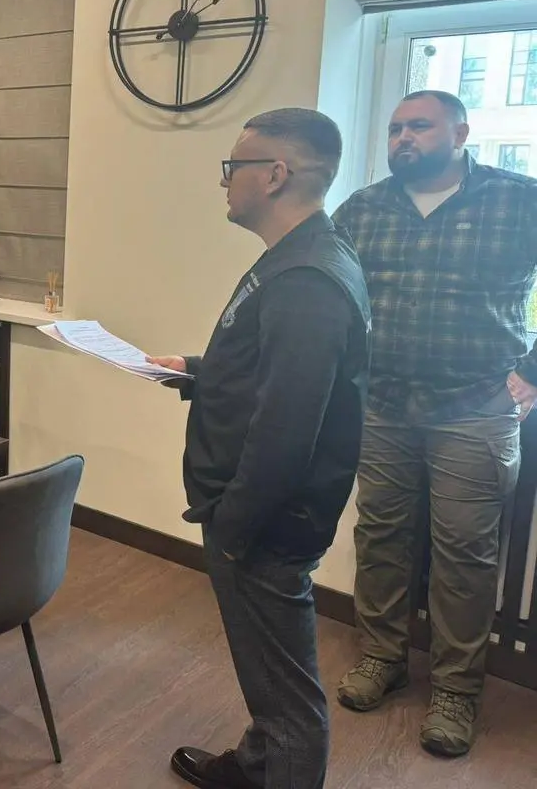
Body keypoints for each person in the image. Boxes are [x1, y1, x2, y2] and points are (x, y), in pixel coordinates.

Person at [149, 108, 371, 789]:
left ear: (275, 175)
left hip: (265, 524)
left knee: (288, 695)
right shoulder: (299, 257)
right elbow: (273, 375)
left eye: (233, 166)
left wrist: (235, 528)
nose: (224, 181)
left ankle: (278, 769)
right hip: (259, 516)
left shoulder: (307, 279)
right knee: (268, 671)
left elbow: (286, 431)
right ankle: (255, 767)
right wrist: (195, 369)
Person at [331, 90, 533, 757]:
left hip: (474, 408)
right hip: (384, 407)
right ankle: (382, 657)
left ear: (461, 133)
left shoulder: (518, 201)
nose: (403, 138)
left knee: (465, 556)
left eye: (419, 126)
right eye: (395, 128)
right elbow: (330, 295)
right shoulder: (363, 208)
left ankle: (455, 692)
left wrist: (534, 371)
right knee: (380, 537)